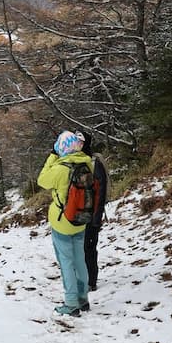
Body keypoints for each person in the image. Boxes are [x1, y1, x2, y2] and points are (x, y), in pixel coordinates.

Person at [37, 130, 94, 316]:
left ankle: (71, 303)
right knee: (80, 260)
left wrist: (52, 157)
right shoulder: (86, 163)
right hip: (81, 219)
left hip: (62, 221)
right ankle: (83, 298)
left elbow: (42, 180)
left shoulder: (60, 169)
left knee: (66, 262)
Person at [80, 133, 108, 291]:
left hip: (91, 214)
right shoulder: (78, 161)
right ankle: (86, 279)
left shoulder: (94, 162)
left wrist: (97, 216)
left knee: (88, 248)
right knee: (83, 248)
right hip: (80, 214)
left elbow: (100, 190)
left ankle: (91, 281)